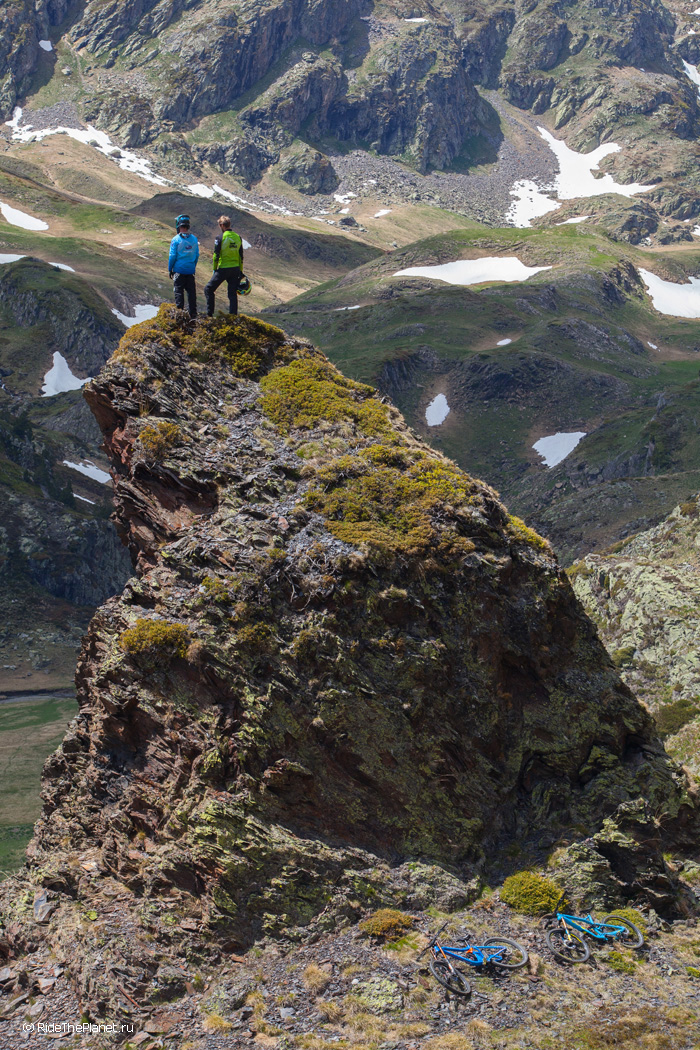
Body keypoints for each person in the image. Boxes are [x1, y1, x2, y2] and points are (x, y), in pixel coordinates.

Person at [205, 215, 244, 316]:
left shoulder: (220, 237)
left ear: (222, 225)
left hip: (224, 268)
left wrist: (214, 269)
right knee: (232, 294)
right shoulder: (238, 237)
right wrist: (240, 271)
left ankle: (209, 314)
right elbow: (241, 256)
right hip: (235, 269)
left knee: (208, 289)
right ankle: (233, 317)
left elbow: (216, 255)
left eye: (219, 225)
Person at [168, 215, 199, 318]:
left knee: (178, 292)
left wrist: (170, 269)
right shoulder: (194, 239)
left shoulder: (176, 239)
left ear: (178, 225)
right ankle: (193, 315)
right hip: (190, 271)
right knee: (191, 293)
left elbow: (172, 256)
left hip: (179, 270)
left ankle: (180, 314)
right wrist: (193, 266)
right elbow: (196, 255)